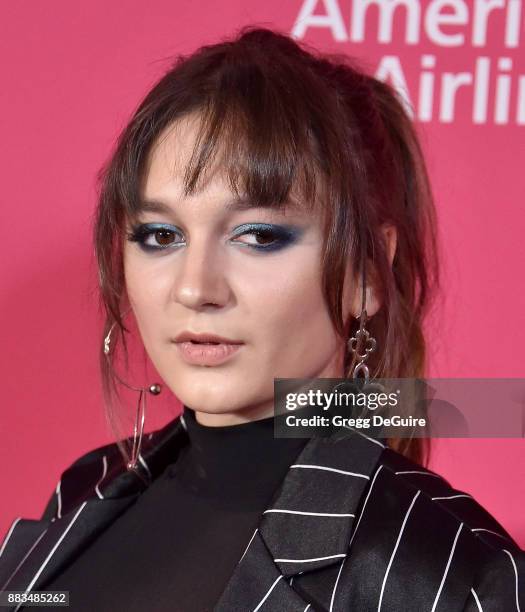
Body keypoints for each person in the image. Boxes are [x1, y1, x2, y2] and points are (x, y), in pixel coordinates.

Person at [1, 26, 523, 612]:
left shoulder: (446, 574)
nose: (196, 287)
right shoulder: (82, 493)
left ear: (366, 274)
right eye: (161, 235)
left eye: (258, 235)